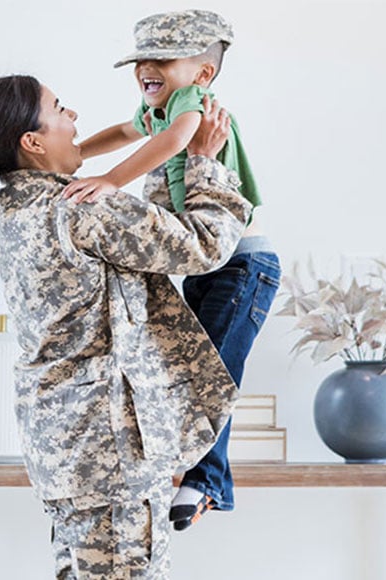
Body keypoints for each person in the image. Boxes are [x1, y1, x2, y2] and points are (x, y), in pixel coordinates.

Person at [0, 74, 251, 579]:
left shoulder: (13, 208)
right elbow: (202, 245)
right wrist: (202, 162)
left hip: (65, 451)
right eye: (60, 109)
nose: (73, 119)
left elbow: (137, 232)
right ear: (33, 142)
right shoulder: (78, 210)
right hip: (112, 456)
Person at [64, 9, 282, 531]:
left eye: (163, 58)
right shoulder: (159, 106)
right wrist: (73, 155)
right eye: (141, 59)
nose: (146, 67)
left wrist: (112, 180)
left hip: (244, 266)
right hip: (211, 267)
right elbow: (124, 129)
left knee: (212, 378)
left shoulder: (192, 106)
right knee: (196, 375)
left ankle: (204, 482)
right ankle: (201, 478)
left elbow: (175, 142)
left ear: (203, 73)